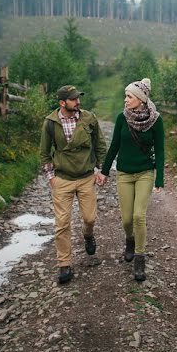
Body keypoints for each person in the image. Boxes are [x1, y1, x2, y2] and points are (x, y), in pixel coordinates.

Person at [39, 84, 107, 284]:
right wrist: (51, 177)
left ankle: (88, 235)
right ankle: (64, 264)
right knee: (62, 223)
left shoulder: (89, 118)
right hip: (62, 179)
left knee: (89, 218)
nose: (78, 102)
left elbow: (100, 145)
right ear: (62, 102)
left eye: (78, 98)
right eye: (73, 99)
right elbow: (44, 152)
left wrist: (101, 170)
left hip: (86, 177)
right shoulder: (50, 123)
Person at [100, 78, 165, 281]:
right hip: (124, 174)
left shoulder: (156, 120)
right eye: (125, 96)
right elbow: (114, 147)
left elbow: (161, 151)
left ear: (140, 99)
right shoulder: (122, 118)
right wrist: (104, 171)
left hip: (145, 172)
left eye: (129, 96)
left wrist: (159, 179)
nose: (125, 100)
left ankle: (139, 257)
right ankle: (129, 239)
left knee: (139, 216)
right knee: (127, 219)